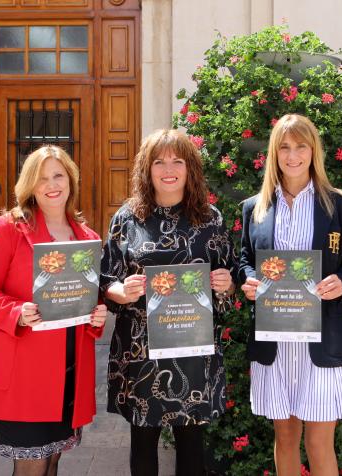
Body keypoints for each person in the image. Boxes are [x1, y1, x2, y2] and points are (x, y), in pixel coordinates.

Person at [100, 129, 238, 476]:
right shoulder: (127, 219)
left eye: (177, 160)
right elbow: (104, 281)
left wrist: (226, 284)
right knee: (142, 445)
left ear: (190, 167)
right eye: (158, 162)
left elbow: (229, 278)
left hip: (193, 349)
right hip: (140, 351)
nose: (168, 169)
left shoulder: (211, 220)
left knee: (192, 446)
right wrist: (121, 291)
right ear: (146, 169)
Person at [240, 114, 342, 476]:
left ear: (313, 151)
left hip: (323, 339)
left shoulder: (339, 205)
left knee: (319, 441)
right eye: (284, 147)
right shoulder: (255, 208)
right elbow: (246, 259)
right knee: (285, 436)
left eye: (300, 147)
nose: (292, 156)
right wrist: (248, 280)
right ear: (274, 154)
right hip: (275, 341)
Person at [0, 145, 107, 476]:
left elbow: (86, 298)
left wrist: (96, 315)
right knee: (32, 464)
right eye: (42, 178)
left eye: (58, 175)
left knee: (53, 459)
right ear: (30, 185)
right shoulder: (9, 228)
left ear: (70, 180)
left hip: (68, 372)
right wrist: (15, 311)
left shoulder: (85, 237)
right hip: (24, 373)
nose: (51, 184)